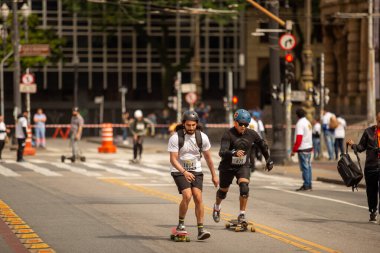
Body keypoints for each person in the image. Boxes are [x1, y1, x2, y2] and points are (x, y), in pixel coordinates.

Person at [212, 109, 273, 224]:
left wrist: (268, 159)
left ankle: (242, 214)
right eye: (241, 124)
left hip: (243, 166)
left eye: (246, 125)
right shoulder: (228, 134)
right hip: (227, 166)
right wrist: (233, 152)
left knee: (244, 187)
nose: (243, 127)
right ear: (235, 122)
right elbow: (222, 152)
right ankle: (216, 207)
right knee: (223, 191)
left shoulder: (252, 134)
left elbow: (262, 145)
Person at [168, 111, 218, 240]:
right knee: (187, 195)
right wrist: (184, 172)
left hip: (196, 170)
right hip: (179, 170)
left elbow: (208, 159)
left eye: (193, 125)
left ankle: (201, 229)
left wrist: (214, 175)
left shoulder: (202, 137)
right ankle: (180, 224)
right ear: (183, 124)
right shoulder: (175, 137)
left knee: (198, 197)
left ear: (197, 124)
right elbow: (173, 159)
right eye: (188, 125)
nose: (191, 128)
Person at [347, 112, 380, 224]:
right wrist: (353, 145)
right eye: (379, 121)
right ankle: (373, 211)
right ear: (377, 119)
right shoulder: (368, 132)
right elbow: (361, 147)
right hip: (371, 166)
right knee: (371, 191)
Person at [291, 108, 313, 191]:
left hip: (303, 148)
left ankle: (306, 185)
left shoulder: (300, 123)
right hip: (309, 147)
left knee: (305, 167)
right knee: (308, 167)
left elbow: (299, 138)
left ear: (297, 115)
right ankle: (309, 184)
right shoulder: (308, 122)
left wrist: (294, 150)